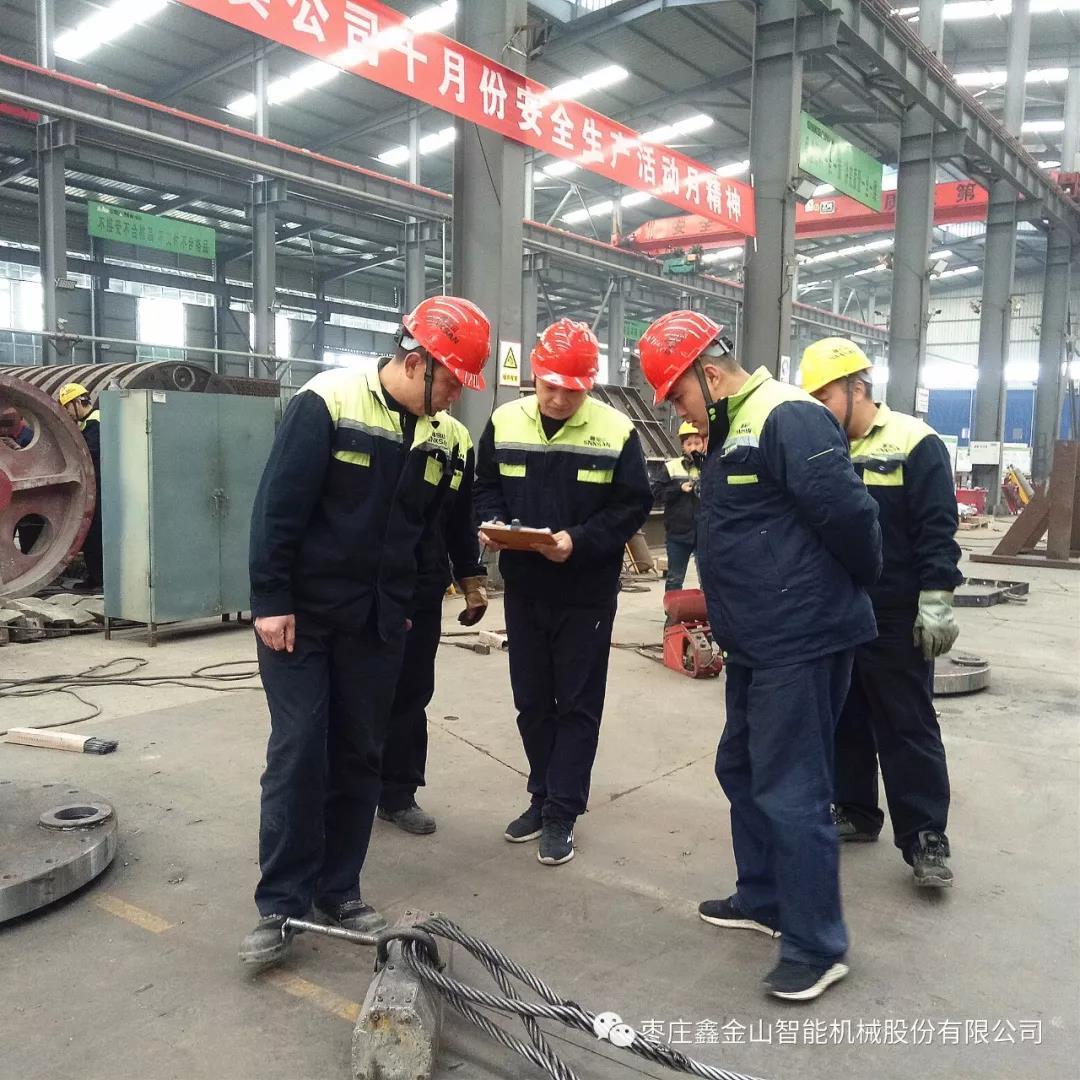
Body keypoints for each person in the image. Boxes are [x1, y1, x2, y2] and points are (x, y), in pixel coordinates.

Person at [638, 310, 881, 1002]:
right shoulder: (733, 426)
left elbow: (852, 518)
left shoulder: (786, 416)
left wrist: (845, 590)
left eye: (678, 394)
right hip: (756, 639)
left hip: (798, 637)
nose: (677, 410)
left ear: (710, 375)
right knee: (741, 765)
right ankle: (765, 897)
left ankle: (816, 945)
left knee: (792, 786)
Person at [242, 296, 491, 966]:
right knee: (300, 749)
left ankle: (339, 890)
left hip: (379, 621)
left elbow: (429, 529)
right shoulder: (329, 402)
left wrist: (421, 598)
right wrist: (271, 599)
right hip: (303, 617)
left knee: (360, 751)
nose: (455, 399)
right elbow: (277, 508)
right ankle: (281, 906)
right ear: (416, 363)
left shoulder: (446, 437)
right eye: (451, 383)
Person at [474, 319, 652, 867]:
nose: (557, 399)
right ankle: (541, 794)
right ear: (534, 374)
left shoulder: (616, 431)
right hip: (525, 589)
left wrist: (577, 541)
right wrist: (492, 522)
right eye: (550, 386)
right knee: (532, 700)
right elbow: (485, 486)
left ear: (589, 385)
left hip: (585, 594)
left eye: (571, 390)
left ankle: (562, 812)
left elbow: (631, 506)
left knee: (575, 703)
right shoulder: (504, 421)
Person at [799, 338, 962, 887]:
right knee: (844, 717)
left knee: (906, 723)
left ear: (858, 388)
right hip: (837, 609)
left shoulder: (915, 442)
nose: (819, 410)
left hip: (894, 612)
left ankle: (925, 836)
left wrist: (937, 599)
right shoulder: (821, 449)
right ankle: (855, 810)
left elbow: (937, 528)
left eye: (824, 397)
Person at [377, 410, 489, 836]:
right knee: (356, 694)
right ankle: (342, 793)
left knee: (411, 693)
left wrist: (471, 581)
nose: (455, 394)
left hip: (422, 589)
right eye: (448, 382)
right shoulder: (367, 413)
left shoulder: (456, 438)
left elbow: (459, 518)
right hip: (365, 587)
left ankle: (397, 794)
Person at [57, 383, 102, 589]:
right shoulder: (86, 424)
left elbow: (90, 452)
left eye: (67, 406)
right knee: (90, 532)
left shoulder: (96, 421)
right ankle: (96, 577)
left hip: (101, 486)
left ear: (77, 402)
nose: (67, 412)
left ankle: (99, 579)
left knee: (95, 532)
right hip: (94, 486)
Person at [657, 421, 705, 591]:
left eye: (697, 443)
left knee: (707, 580)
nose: (693, 448)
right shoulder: (671, 467)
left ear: (704, 443)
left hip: (705, 533)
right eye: (689, 443)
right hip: (678, 533)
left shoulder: (711, 465)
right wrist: (678, 488)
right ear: (683, 446)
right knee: (674, 580)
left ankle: (709, 608)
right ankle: (672, 609)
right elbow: (657, 493)